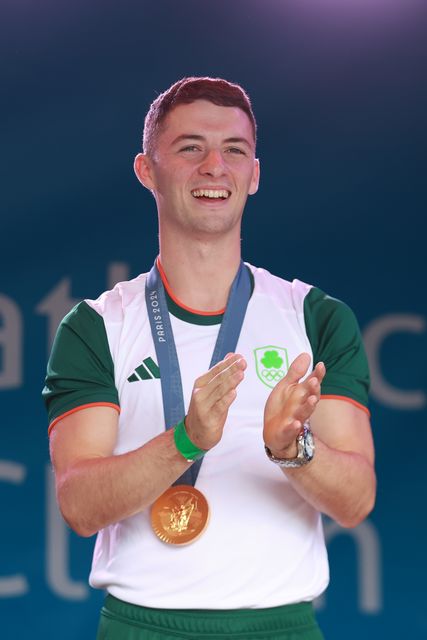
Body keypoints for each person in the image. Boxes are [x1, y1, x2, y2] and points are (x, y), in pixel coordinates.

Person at [43, 76, 376, 640]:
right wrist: (185, 440)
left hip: (283, 627)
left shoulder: (315, 316)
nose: (214, 167)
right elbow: (79, 505)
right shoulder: (97, 326)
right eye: (190, 147)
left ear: (255, 175)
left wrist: (292, 449)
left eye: (234, 151)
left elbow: (355, 501)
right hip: (141, 626)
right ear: (147, 171)